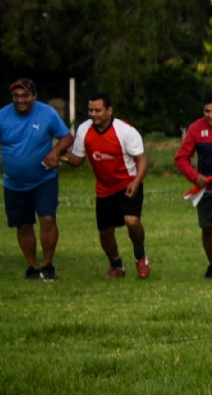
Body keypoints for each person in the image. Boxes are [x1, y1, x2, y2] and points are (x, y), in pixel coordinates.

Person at [0, 79, 73, 281]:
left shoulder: (47, 113)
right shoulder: (1, 117)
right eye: (16, 96)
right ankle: (33, 267)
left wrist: (55, 152)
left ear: (34, 96)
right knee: (24, 225)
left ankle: (47, 265)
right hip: (14, 183)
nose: (20, 100)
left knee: (47, 219)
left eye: (25, 96)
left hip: (44, 178)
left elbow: (66, 137)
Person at [63, 92, 150, 279]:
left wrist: (136, 182)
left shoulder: (125, 131)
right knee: (105, 232)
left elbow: (142, 160)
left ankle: (141, 256)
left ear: (109, 110)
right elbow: (78, 160)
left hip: (128, 183)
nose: (93, 114)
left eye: (98, 110)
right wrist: (63, 158)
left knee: (132, 221)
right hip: (104, 188)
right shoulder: (84, 130)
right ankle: (116, 265)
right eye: (90, 110)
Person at [176, 92, 212, 278]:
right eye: (207, 111)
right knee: (207, 228)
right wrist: (194, 176)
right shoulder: (196, 128)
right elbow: (181, 158)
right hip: (205, 187)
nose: (211, 115)